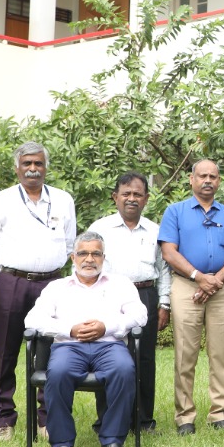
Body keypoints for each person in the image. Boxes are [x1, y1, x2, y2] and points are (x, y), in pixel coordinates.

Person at [24, 232, 147, 447]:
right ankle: (62, 445)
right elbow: (33, 319)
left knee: (124, 370)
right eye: (83, 253)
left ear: (103, 258)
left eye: (95, 254)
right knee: (58, 373)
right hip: (69, 346)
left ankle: (112, 440)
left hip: (109, 345)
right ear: (73, 257)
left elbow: (140, 315)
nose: (89, 259)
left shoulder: (121, 284)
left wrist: (106, 327)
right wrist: (69, 329)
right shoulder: (57, 287)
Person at [0, 142, 77, 441]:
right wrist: (7, 275)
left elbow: (71, 243)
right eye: (27, 164)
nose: (33, 169)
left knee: (51, 349)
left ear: (46, 167)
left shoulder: (62, 200)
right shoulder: (1, 200)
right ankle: (4, 418)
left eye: (38, 163)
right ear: (17, 168)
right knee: (6, 350)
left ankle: (46, 417)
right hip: (12, 282)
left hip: (52, 283)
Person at [158, 160, 224, 435]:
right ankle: (185, 416)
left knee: (220, 353)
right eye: (202, 176)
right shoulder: (175, 212)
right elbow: (169, 252)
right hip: (187, 286)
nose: (207, 180)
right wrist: (199, 277)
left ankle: (219, 413)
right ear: (191, 179)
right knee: (185, 355)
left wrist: (215, 280)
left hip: (221, 287)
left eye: (213, 176)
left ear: (219, 181)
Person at [87, 172, 171, 433]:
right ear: (115, 197)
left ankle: (143, 420)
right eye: (126, 194)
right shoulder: (100, 229)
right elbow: (85, 264)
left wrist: (164, 303)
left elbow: (164, 269)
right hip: (108, 296)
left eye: (137, 194)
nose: (132, 199)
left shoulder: (156, 230)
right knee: (107, 354)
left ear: (146, 199)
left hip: (144, 294)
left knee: (144, 358)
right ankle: (106, 418)